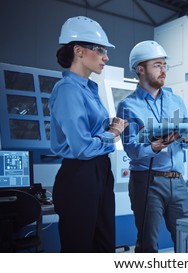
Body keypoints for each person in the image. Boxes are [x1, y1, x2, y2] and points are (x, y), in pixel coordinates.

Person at [50, 16, 128, 252]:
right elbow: (82, 147)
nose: (106, 57)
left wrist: (111, 130)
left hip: (100, 171)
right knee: (80, 248)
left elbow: (92, 135)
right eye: (100, 50)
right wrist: (112, 133)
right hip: (80, 175)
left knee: (104, 245)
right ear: (79, 51)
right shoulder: (67, 90)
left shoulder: (89, 89)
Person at [117, 40, 188, 252]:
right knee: (148, 245)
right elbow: (132, 150)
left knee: (187, 241)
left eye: (164, 65)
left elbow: (181, 137)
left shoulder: (175, 100)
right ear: (140, 69)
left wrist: (186, 141)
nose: (163, 70)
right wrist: (155, 146)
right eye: (157, 65)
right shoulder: (127, 106)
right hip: (147, 181)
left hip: (178, 182)